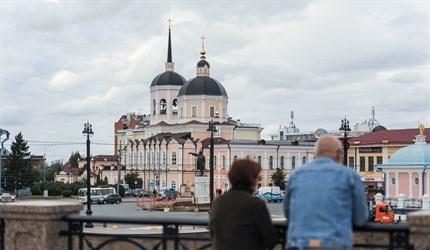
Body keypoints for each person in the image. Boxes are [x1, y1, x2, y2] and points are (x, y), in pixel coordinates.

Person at [284, 135, 368, 249]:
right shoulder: (349, 176)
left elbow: (288, 212)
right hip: (333, 244)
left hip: (298, 244)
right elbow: (360, 219)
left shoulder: (296, 175)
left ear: (315, 154)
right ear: (339, 154)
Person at [210, 159, 278, 250]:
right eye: (258, 177)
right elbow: (270, 241)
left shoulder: (218, 202)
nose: (258, 181)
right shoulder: (256, 204)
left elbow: (212, 233)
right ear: (251, 179)